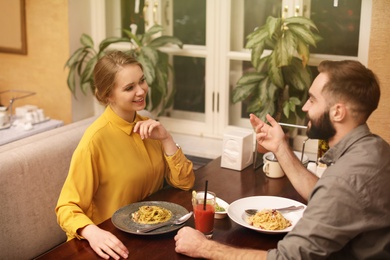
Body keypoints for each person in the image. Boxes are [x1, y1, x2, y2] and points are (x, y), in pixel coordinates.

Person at [174, 60, 390, 259]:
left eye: (312, 100)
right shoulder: (375, 149)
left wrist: (204, 247)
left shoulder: (345, 180)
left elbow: (286, 258)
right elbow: (326, 195)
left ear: (338, 113)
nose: (305, 107)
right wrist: (280, 147)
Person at [56, 50, 195, 260]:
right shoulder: (94, 141)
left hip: (154, 236)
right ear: (107, 95)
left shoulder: (148, 126)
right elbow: (66, 207)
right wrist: (93, 233)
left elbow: (185, 183)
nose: (141, 91)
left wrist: (166, 138)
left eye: (142, 81)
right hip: (113, 244)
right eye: (129, 88)